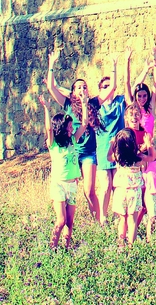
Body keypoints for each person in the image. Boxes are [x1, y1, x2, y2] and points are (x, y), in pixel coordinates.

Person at [45, 50, 100, 221]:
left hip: (89, 152)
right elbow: (51, 87)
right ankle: (68, 224)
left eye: (84, 87)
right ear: (73, 91)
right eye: (78, 87)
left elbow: (85, 123)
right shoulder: (67, 104)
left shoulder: (92, 103)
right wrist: (52, 64)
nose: (82, 89)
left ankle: (99, 223)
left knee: (89, 190)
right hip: (73, 153)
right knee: (71, 191)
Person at [38, 91, 88, 250]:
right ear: (62, 127)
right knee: (60, 221)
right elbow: (49, 130)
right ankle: (52, 248)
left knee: (69, 222)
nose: (72, 128)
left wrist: (85, 104)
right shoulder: (53, 145)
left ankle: (65, 249)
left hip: (72, 185)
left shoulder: (73, 140)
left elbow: (85, 123)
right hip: (59, 185)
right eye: (69, 125)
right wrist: (46, 108)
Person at [94, 57, 126, 226]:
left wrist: (116, 65)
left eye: (110, 86)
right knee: (105, 185)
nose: (108, 89)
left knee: (118, 185)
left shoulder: (120, 102)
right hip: (102, 149)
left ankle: (119, 217)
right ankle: (102, 218)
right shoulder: (96, 105)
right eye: (104, 87)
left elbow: (132, 85)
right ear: (99, 90)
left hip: (119, 150)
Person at [108, 128, 146, 250]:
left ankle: (120, 245)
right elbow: (152, 157)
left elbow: (108, 157)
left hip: (120, 191)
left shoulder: (118, 157)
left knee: (122, 220)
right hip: (134, 192)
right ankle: (131, 247)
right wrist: (148, 144)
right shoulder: (138, 158)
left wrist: (111, 144)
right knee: (132, 221)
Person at [125, 44, 156, 137]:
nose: (142, 99)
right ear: (135, 96)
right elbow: (126, 82)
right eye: (139, 96)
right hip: (132, 146)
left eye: (144, 96)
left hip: (147, 147)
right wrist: (127, 60)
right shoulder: (131, 106)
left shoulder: (150, 107)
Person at [141, 131, 156, 241]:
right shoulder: (146, 163)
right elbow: (147, 152)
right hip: (150, 194)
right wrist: (148, 143)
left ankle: (154, 236)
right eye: (153, 148)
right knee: (152, 217)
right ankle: (149, 238)